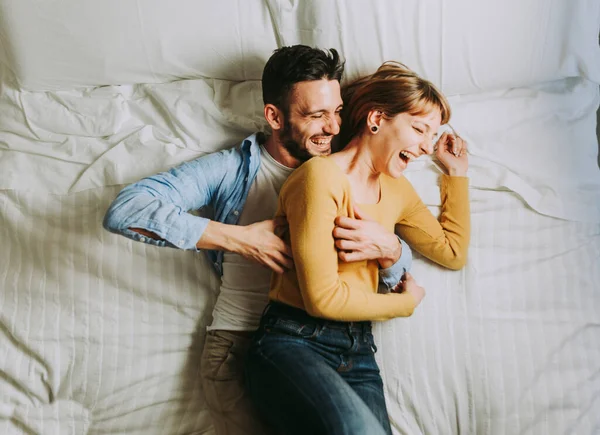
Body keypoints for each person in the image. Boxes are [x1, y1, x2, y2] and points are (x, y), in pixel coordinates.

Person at [103, 46, 414, 435]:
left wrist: (392, 250)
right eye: (316, 115)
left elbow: (395, 273)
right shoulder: (232, 170)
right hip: (243, 343)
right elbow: (127, 210)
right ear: (275, 116)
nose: (333, 128)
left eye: (336, 111)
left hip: (333, 342)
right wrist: (239, 240)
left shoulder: (354, 168)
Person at [245, 61, 470, 435]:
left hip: (359, 352)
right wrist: (406, 303)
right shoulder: (320, 175)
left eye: (432, 135)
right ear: (377, 119)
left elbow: (453, 251)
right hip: (293, 343)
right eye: (419, 129)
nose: (426, 147)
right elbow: (323, 299)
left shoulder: (398, 190)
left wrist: (456, 175)